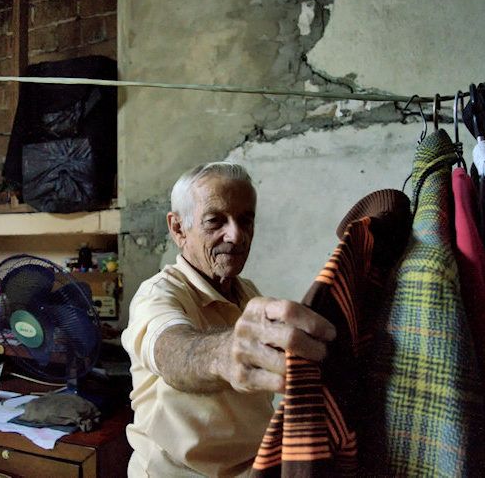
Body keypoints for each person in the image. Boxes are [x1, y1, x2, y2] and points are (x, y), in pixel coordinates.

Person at [121, 162, 337, 477]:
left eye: (245, 220)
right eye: (215, 221)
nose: (236, 236)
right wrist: (225, 354)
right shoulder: (156, 295)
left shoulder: (247, 292)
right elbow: (170, 350)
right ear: (179, 229)